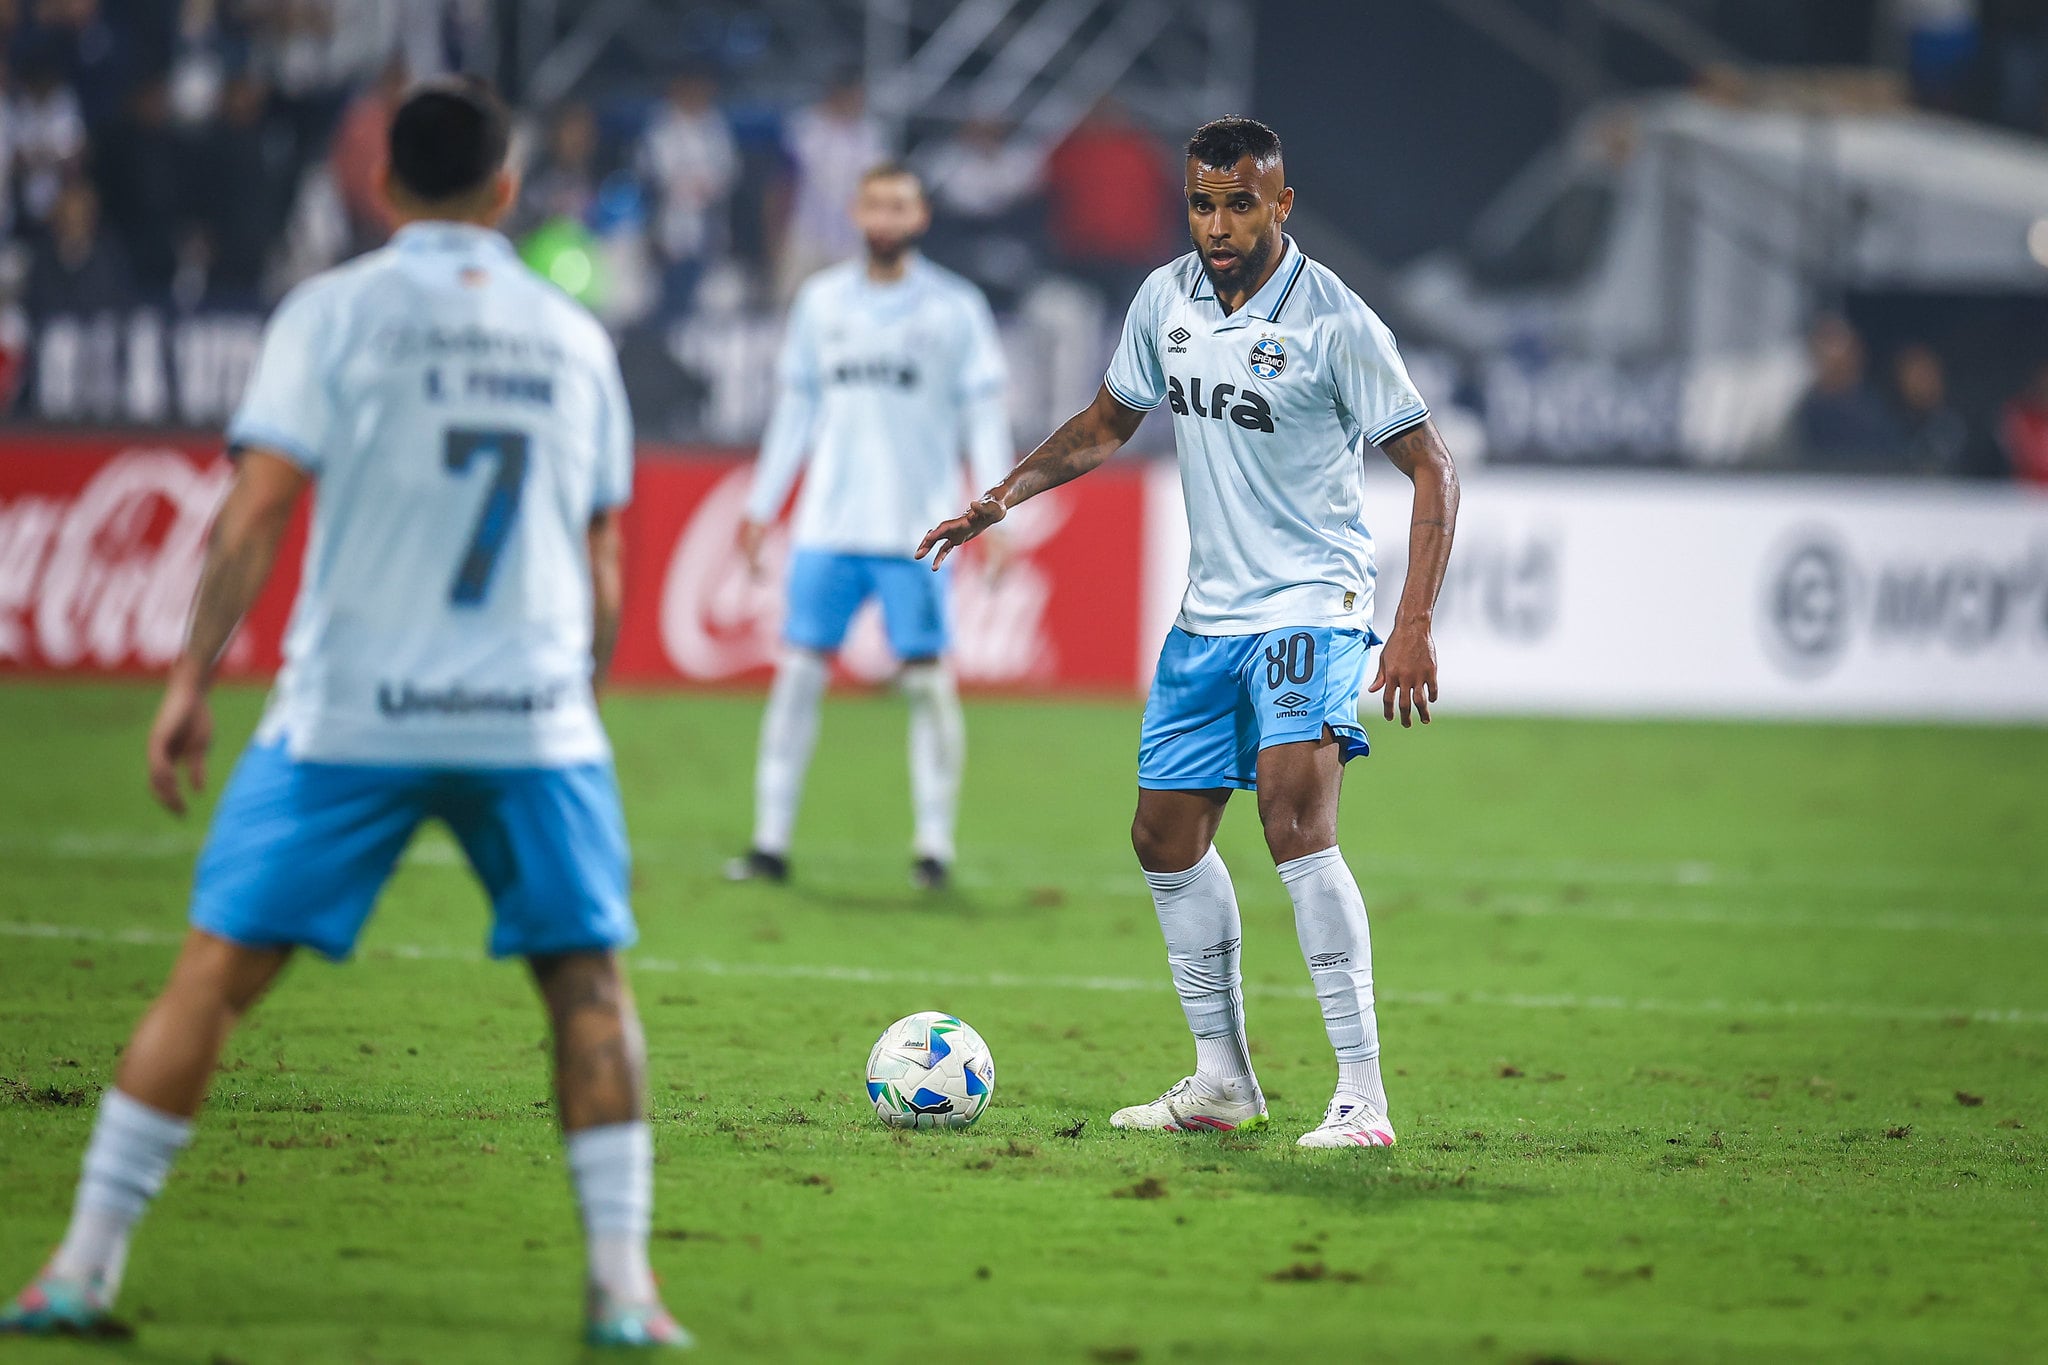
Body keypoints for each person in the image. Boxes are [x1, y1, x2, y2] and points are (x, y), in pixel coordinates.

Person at [0, 78, 689, 1350]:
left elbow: (254, 514)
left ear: (382, 186)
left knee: (213, 975)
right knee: (587, 987)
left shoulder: (328, 313)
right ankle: (625, 1296)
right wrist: (572, 700)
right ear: (504, 190)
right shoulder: (572, 335)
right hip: (529, 720)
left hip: (344, 715)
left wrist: (190, 681)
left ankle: (78, 1271)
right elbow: (604, 560)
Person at [920, 117, 1459, 1149]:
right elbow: (1103, 425)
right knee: (1162, 840)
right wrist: (1000, 497)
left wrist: (1411, 625)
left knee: (1293, 821)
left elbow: (1431, 465)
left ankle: (1361, 1097)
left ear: (1280, 204)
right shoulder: (1162, 300)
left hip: (1310, 600)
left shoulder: (1336, 322)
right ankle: (1222, 1081)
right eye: (1202, 203)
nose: (1217, 224)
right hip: (1207, 614)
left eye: (1239, 203)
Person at [728, 163, 1012, 892]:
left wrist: (997, 506)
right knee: (796, 678)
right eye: (875, 203)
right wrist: (763, 504)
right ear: (857, 212)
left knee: (928, 685)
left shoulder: (955, 308)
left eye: (900, 204)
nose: (886, 216)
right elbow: (794, 411)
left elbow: (983, 416)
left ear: (919, 217)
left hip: (914, 532)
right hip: (827, 523)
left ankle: (933, 846)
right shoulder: (820, 302)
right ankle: (769, 841)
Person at [774, 70, 884, 301]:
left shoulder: (869, 134)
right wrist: (777, 230)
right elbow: (784, 182)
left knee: (849, 301)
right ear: (836, 95)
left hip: (850, 235)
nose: (856, 105)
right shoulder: (804, 127)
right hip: (805, 230)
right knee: (795, 299)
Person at [637, 67, 737, 322]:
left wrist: (704, 185)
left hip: (707, 227)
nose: (698, 97)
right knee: (667, 297)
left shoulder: (715, 124)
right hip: (668, 227)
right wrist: (690, 184)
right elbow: (657, 174)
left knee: (705, 298)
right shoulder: (660, 124)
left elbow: (728, 171)